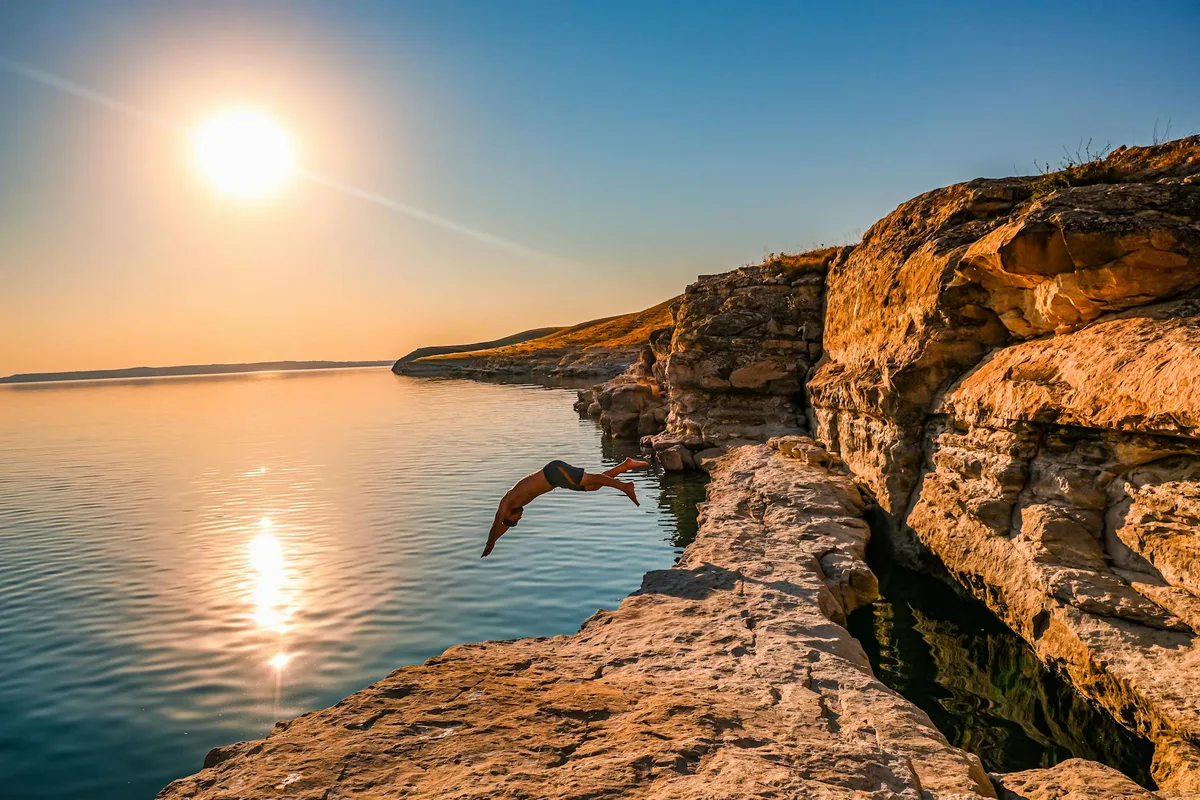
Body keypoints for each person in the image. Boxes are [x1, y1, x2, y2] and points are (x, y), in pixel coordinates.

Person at [480, 457, 650, 557]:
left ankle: (624, 487)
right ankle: (625, 465)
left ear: (508, 514)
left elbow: (497, 524)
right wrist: (495, 542)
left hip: (553, 472)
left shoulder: (506, 502)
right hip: (556, 479)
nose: (519, 519)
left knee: (591, 480)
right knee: (594, 485)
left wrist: (489, 543)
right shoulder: (514, 505)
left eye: (515, 520)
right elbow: (503, 527)